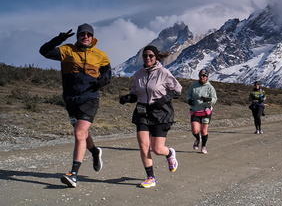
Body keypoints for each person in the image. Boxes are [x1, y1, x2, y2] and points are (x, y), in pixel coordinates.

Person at [39, 23, 111, 188]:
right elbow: (44, 51)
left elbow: (108, 72)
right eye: (82, 34)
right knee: (83, 133)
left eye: (88, 34)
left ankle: (73, 174)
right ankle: (95, 151)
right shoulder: (66, 51)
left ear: (92, 37)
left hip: (90, 98)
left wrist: (103, 81)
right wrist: (58, 39)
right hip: (71, 99)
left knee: (79, 133)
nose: (85, 36)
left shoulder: (100, 55)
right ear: (78, 36)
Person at [119, 45, 182, 188]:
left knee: (157, 149)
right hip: (142, 113)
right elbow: (135, 94)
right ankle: (150, 177)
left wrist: (163, 99)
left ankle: (169, 153)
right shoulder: (138, 74)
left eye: (150, 56)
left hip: (160, 113)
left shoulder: (163, 73)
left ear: (155, 57)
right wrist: (127, 98)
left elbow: (177, 90)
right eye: (145, 56)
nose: (147, 58)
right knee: (143, 146)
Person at [186, 69, 217, 154]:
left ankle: (204, 146)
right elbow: (188, 95)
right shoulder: (193, 85)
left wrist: (209, 99)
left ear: (207, 77)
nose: (201, 77)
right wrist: (189, 100)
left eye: (203, 76)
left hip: (205, 111)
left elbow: (215, 99)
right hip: (195, 111)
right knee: (195, 130)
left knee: (204, 131)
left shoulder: (210, 87)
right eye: (200, 75)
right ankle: (197, 138)